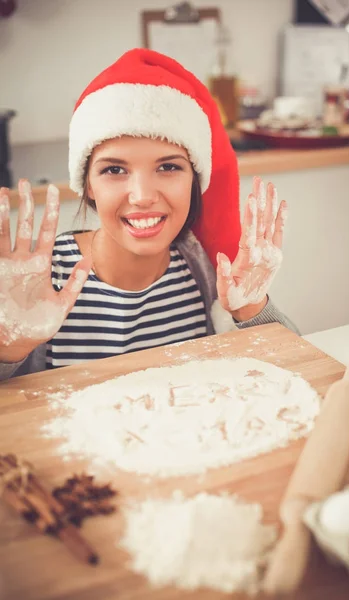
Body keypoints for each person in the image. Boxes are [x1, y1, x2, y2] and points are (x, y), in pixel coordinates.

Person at [0, 48, 297, 381]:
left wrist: (250, 309)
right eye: (114, 170)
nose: (142, 196)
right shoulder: (40, 280)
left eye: (168, 167)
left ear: (194, 182)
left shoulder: (208, 271)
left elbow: (296, 368)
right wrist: (10, 350)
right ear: (88, 185)